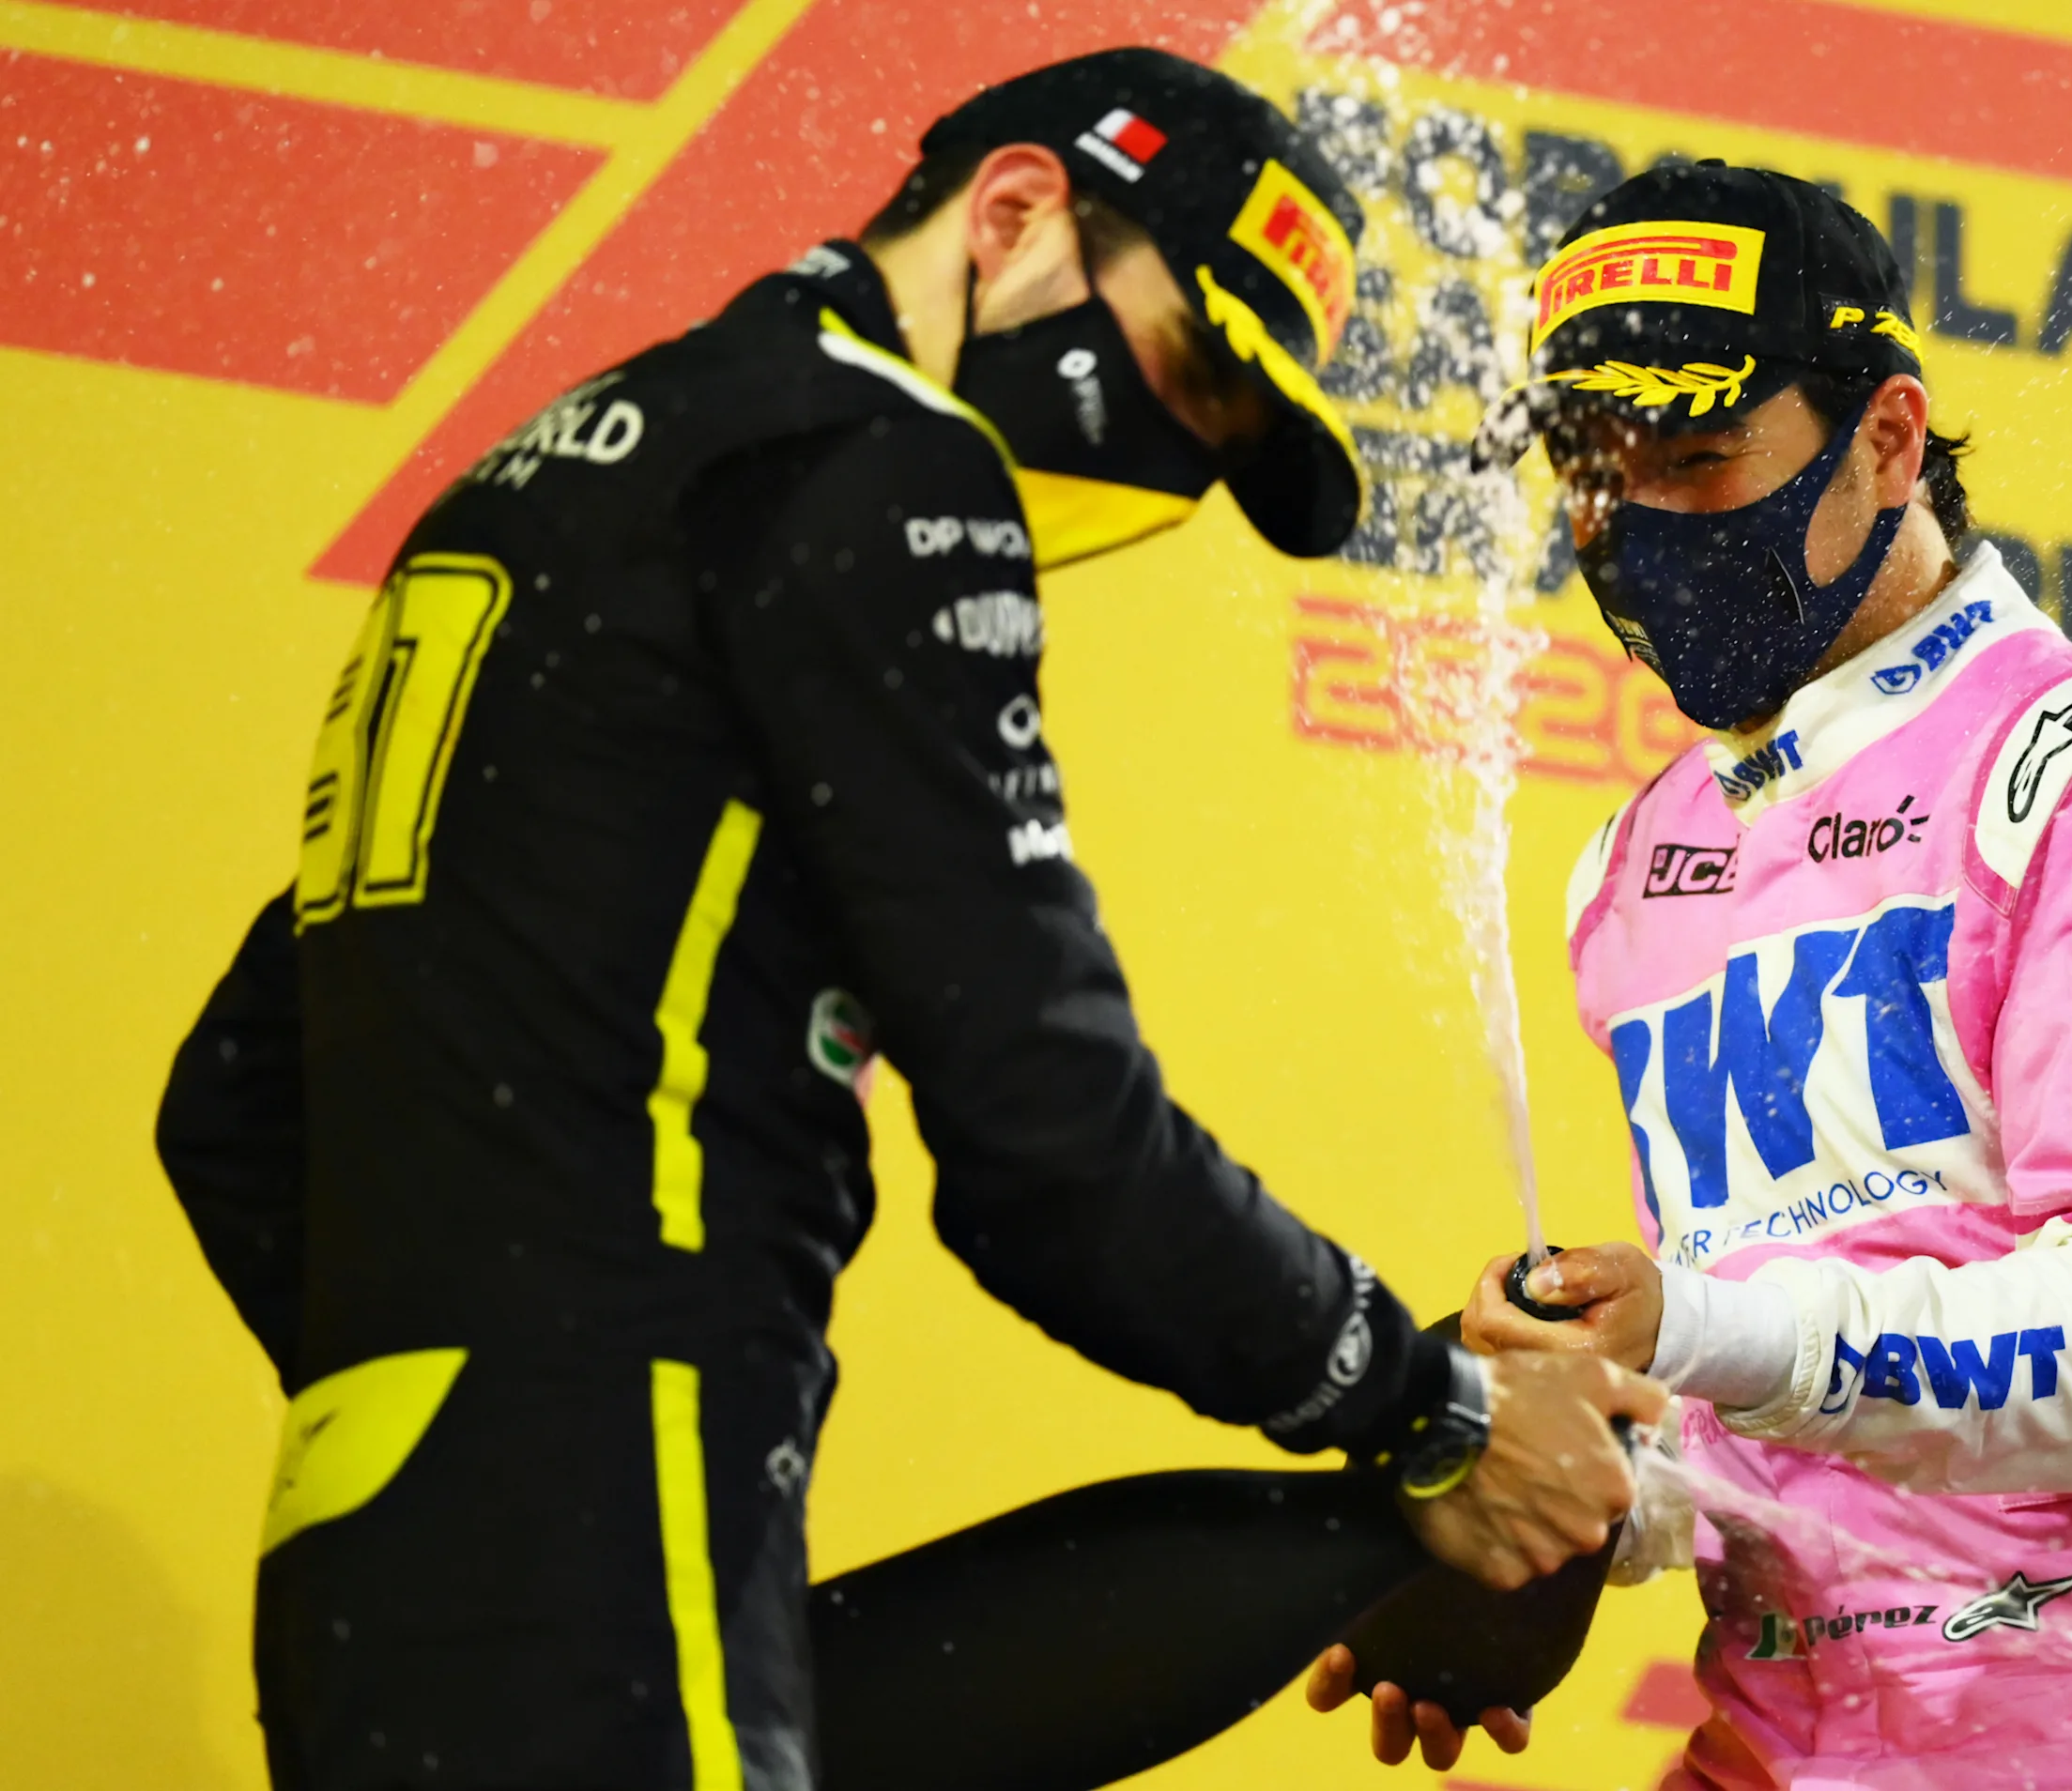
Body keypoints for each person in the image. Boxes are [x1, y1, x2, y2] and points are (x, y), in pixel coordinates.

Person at [154, 47, 1659, 1791]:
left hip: (377, 1560)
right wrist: (1427, 1415)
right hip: (591, 1533)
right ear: (1016, 213)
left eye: (1219, 447)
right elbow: (1053, 1146)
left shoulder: (567, 475)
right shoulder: (882, 464)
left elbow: (237, 1099)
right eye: (1183, 372)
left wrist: (480, 1425)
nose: (1169, 458)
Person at [1313, 163, 2072, 1785]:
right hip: (1784, 1743)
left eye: (1696, 455)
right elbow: (1775, 1401)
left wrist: (1692, 1329)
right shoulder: (1638, 863)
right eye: (1594, 475)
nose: (1637, 527)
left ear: (1887, 435)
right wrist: (1566, 1494)